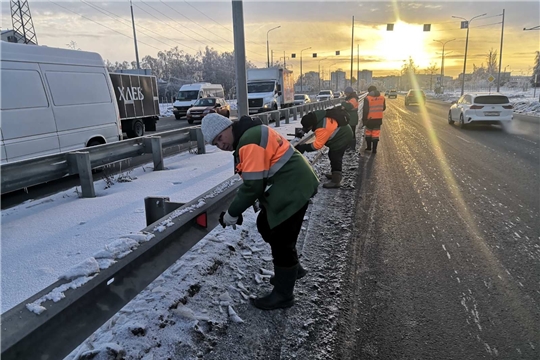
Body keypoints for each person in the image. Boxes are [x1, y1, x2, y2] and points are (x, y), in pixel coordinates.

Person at [201, 113, 319, 310]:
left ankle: (284, 294)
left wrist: (231, 214)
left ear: (228, 127)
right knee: (265, 225)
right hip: (290, 183)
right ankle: (290, 271)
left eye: (220, 138)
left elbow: (252, 186)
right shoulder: (250, 134)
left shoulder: (249, 141)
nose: (220, 145)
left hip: (292, 188)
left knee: (282, 240)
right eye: (215, 143)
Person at [295, 108, 353, 188]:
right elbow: (311, 124)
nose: (309, 129)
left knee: (335, 156)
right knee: (332, 154)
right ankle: (334, 174)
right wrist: (304, 131)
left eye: (308, 127)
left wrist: (304, 147)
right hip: (343, 131)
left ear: (311, 124)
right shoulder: (317, 116)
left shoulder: (323, 128)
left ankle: (336, 181)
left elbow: (317, 145)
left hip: (343, 136)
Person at [362, 85, 386, 153]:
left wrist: (364, 120)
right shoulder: (382, 98)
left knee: (368, 133)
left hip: (369, 119)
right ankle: (374, 149)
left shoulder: (367, 98)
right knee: (376, 134)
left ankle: (369, 147)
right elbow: (383, 108)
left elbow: (365, 110)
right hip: (378, 119)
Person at [341, 86, 360, 151]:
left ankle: (352, 147)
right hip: (350, 117)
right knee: (349, 133)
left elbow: (349, 106)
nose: (345, 94)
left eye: (346, 93)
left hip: (352, 118)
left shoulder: (353, 99)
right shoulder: (349, 98)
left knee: (352, 133)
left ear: (349, 93)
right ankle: (349, 146)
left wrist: (343, 104)